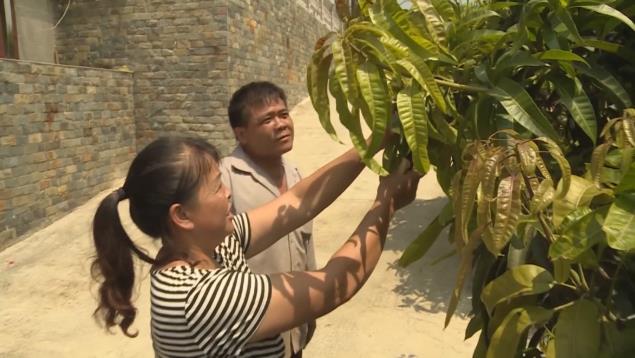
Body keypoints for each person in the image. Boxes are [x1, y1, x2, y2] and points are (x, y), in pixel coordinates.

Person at [91, 136, 420, 357]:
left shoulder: (213, 245)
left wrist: (377, 139)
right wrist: (386, 204)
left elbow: (298, 202)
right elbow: (335, 284)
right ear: (182, 215)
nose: (228, 193)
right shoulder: (199, 297)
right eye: (217, 187)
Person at [220, 81, 315, 358]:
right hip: (253, 341)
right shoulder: (224, 181)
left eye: (284, 114)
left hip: (295, 330)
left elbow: (305, 247)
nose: (281, 124)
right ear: (241, 134)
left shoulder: (295, 174)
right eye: (267, 119)